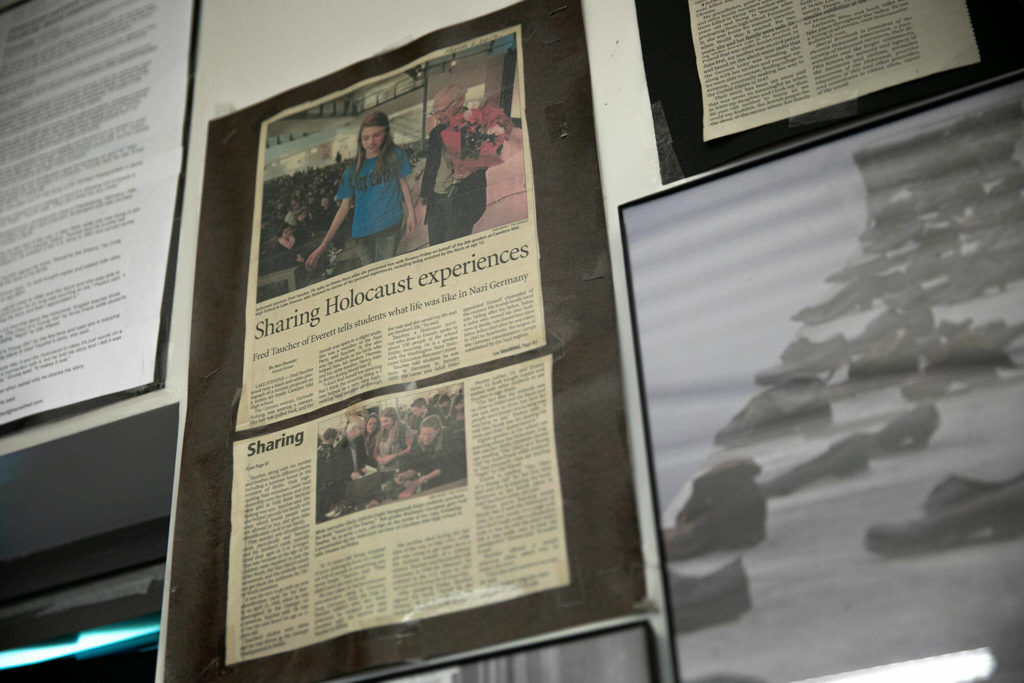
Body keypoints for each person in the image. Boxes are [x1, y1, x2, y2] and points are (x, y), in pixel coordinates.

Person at [306, 110, 415, 269]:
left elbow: (403, 183)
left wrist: (411, 214)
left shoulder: (396, 155)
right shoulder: (351, 171)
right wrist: (323, 246)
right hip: (361, 234)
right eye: (366, 137)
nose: (371, 141)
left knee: (385, 273)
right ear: (360, 140)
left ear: (385, 134)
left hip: (388, 226)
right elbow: (343, 208)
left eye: (376, 135)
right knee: (372, 278)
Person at [421, 84, 488, 245]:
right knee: (436, 246)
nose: (437, 116)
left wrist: (470, 169)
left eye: (442, 111)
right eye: (435, 112)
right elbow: (431, 164)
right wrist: (425, 192)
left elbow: (486, 158)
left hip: (462, 199)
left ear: (458, 103)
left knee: (456, 245)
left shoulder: (475, 124)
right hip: (436, 199)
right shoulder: (436, 133)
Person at [395, 415, 466, 496]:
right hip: (430, 476)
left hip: (448, 477)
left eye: (428, 434)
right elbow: (419, 465)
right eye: (423, 434)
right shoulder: (419, 442)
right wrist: (406, 474)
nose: (425, 438)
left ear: (437, 431)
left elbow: (442, 467)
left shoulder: (447, 438)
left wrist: (420, 481)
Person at [375, 406, 413, 472]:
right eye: (382, 422)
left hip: (399, 469)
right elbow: (376, 450)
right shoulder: (381, 430)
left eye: (386, 421)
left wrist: (392, 456)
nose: (383, 424)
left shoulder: (404, 428)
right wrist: (379, 458)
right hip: (383, 469)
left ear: (394, 419)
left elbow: (410, 448)